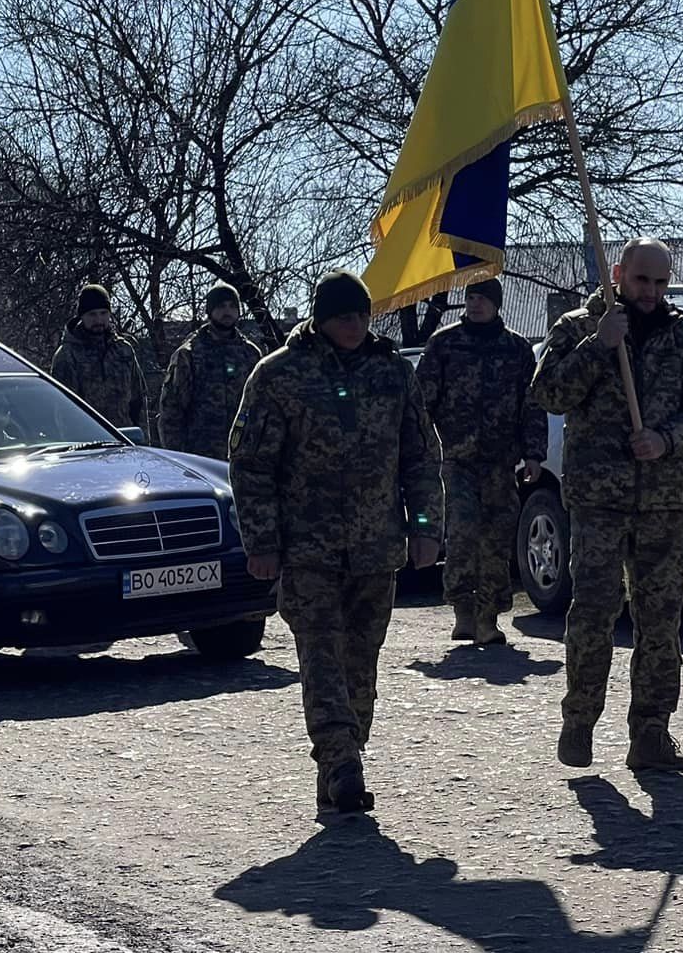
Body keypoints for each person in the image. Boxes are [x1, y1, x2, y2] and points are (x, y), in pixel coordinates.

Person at [228, 271, 443, 818]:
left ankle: (342, 757)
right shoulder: (279, 375)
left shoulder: (392, 373)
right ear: (321, 318)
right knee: (321, 654)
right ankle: (342, 761)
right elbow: (251, 465)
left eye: (362, 316)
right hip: (307, 549)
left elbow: (420, 456)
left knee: (361, 662)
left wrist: (424, 527)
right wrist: (262, 541)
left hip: (376, 547)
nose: (354, 326)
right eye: (344, 316)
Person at [532, 239, 683, 774]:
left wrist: (666, 439)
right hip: (599, 500)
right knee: (594, 612)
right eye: (642, 281)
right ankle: (580, 720)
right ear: (619, 275)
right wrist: (597, 346)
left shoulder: (682, 338)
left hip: (661, 499)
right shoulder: (577, 328)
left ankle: (651, 731)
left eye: (661, 283)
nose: (652, 293)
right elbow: (547, 393)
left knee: (660, 620)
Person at [414, 275, 548, 646]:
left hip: (501, 461)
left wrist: (534, 453)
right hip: (455, 459)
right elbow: (421, 402)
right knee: (462, 532)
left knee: (496, 537)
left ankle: (489, 616)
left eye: (482, 299)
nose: (475, 304)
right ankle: (464, 611)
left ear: (496, 304)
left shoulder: (517, 350)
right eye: (470, 297)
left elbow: (531, 405)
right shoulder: (444, 344)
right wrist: (422, 449)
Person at [159, 283, 263, 459]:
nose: (227, 312)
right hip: (200, 456)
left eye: (232, 306)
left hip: (243, 454)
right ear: (210, 311)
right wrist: (177, 458)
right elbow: (171, 412)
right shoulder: (189, 354)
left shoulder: (251, 354)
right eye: (221, 306)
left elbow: (261, 407)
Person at [50, 284, 148, 433]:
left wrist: (143, 441)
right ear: (81, 316)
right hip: (88, 444)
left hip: (125, 441)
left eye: (103, 313)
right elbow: (63, 411)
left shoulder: (124, 350)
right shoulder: (67, 355)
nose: (99, 320)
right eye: (92, 314)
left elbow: (138, 400)